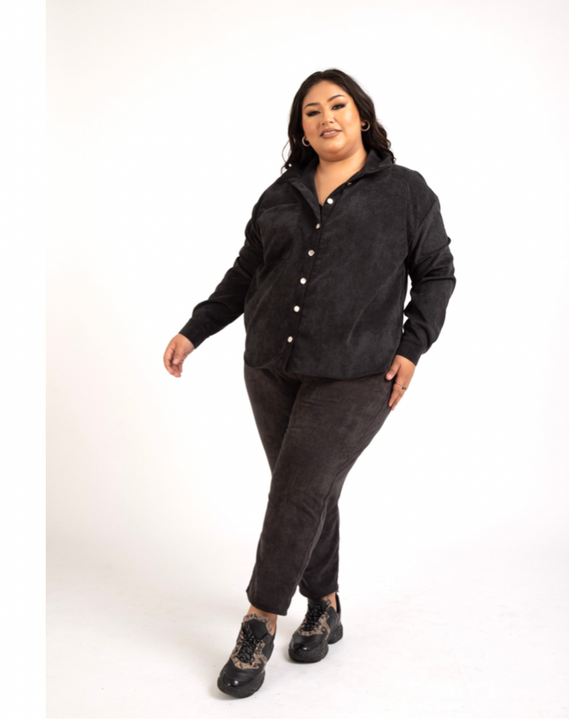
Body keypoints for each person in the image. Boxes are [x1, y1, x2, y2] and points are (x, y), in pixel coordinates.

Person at [162, 68, 456, 699]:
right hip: (270, 365)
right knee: (307, 489)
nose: (327, 118)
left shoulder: (405, 191)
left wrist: (413, 348)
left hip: (357, 372)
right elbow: (246, 274)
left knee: (297, 490)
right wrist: (195, 330)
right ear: (301, 129)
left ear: (362, 116)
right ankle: (324, 604)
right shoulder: (279, 195)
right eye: (312, 111)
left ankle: (259, 620)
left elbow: (437, 273)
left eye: (338, 105)